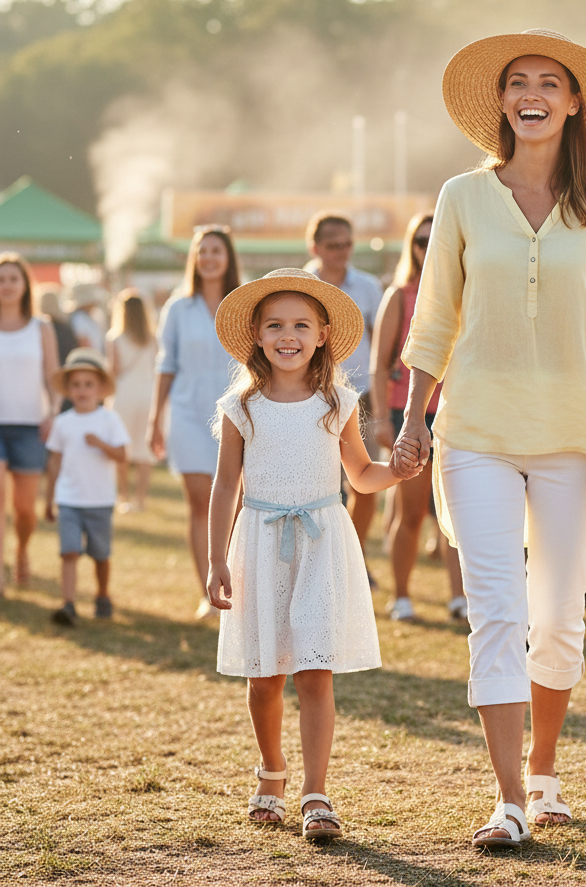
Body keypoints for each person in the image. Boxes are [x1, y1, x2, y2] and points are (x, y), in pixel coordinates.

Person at [394, 29, 586, 848]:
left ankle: (545, 773)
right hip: (475, 431)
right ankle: (507, 799)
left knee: (559, 618)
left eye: (549, 81)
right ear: (502, 103)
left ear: (573, 102)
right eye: (518, 82)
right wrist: (412, 421)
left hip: (578, 437)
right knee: (497, 612)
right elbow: (433, 315)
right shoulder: (462, 197)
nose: (532, 92)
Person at [206, 268, 412, 838]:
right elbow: (226, 485)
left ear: (322, 333)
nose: (287, 335)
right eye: (274, 325)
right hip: (259, 540)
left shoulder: (337, 401)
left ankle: (315, 792)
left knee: (315, 671)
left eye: (300, 324)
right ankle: (271, 771)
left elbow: (363, 476)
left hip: (322, 542)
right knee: (265, 675)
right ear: (256, 335)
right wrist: (216, 559)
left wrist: (397, 470)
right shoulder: (240, 405)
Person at [370, 212, 467, 622]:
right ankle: (403, 596)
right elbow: (379, 365)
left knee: (457, 514)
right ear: (411, 246)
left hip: (459, 412)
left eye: (434, 241)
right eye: (420, 242)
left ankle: (458, 597)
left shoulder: (465, 292)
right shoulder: (400, 295)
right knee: (409, 511)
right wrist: (381, 419)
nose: (427, 249)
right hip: (406, 411)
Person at [149, 226, 239, 617]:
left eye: (216, 250)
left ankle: (235, 586)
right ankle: (208, 595)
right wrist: (156, 418)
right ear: (194, 258)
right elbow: (166, 365)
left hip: (236, 416)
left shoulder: (243, 303)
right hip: (186, 413)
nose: (209, 258)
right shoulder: (177, 307)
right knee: (199, 504)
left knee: (234, 507)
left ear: (228, 256)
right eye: (202, 251)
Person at [305, 212, 384, 583]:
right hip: (309, 397)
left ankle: (353, 555)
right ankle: (325, 563)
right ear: (315, 247)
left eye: (347, 244)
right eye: (333, 245)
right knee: (318, 488)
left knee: (365, 484)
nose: (341, 252)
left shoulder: (368, 287)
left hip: (360, 398)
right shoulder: (300, 284)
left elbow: (383, 343)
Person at [44, 349, 130, 626]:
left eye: (88, 384)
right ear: (68, 390)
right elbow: (54, 462)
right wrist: (49, 499)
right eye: (76, 385)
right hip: (69, 498)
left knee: (100, 554)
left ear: (101, 389)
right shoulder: (62, 423)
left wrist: (101, 444)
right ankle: (68, 604)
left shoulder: (109, 420)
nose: (82, 390)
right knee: (69, 550)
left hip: (100, 500)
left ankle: (102, 595)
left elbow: (122, 456)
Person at [0, 253, 59, 593]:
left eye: (13, 279)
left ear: (24, 285)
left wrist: (52, 410)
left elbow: (53, 378)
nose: (6, 285)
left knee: (24, 507)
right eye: (2, 278)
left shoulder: (41, 327)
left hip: (30, 425)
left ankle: (21, 550)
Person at [107, 289, 158, 512]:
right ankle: (141, 499)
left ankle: (123, 497)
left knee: (122, 447)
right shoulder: (152, 339)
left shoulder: (115, 338)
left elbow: (114, 370)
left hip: (123, 395)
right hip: (147, 395)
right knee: (143, 449)